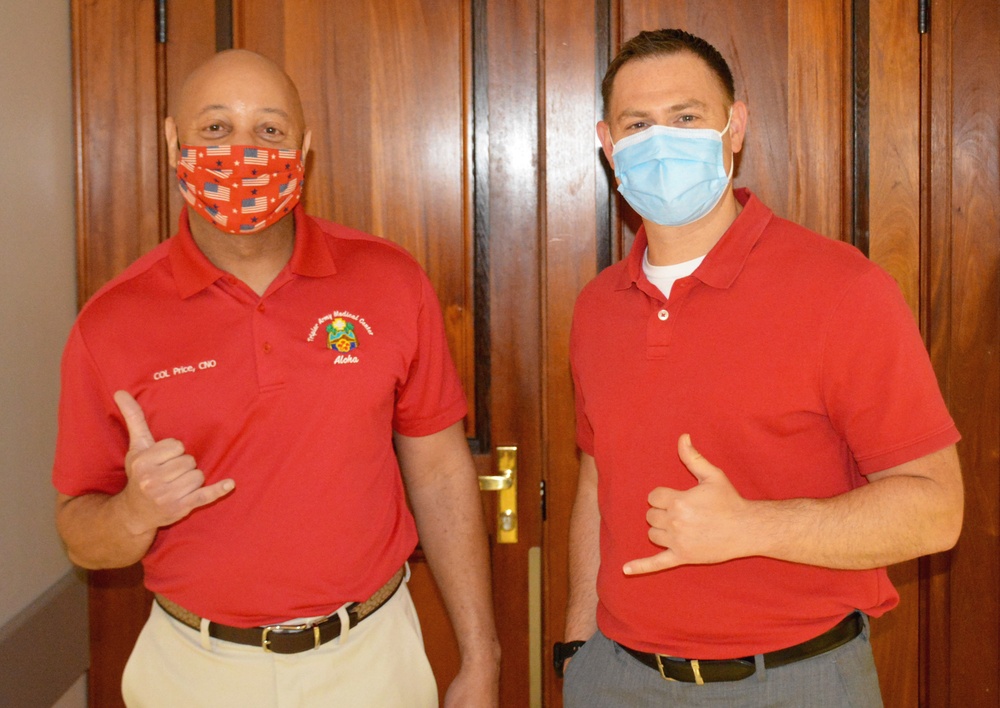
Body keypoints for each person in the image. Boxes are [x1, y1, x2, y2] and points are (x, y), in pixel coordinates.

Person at [53, 49, 500, 708]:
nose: (243, 151)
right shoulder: (110, 323)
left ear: (304, 149)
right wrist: (135, 511)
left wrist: (481, 653)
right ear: (174, 140)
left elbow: (438, 471)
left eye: (268, 130)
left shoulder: (389, 281)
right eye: (215, 129)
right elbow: (79, 534)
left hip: (374, 659)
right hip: (194, 670)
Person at [557, 28, 963, 707]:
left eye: (686, 117)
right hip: (615, 677)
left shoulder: (842, 290)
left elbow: (936, 512)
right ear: (608, 144)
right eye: (638, 124)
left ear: (734, 127)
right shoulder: (599, 308)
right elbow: (598, 478)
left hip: (791, 680)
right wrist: (575, 649)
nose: (661, 140)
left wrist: (752, 527)